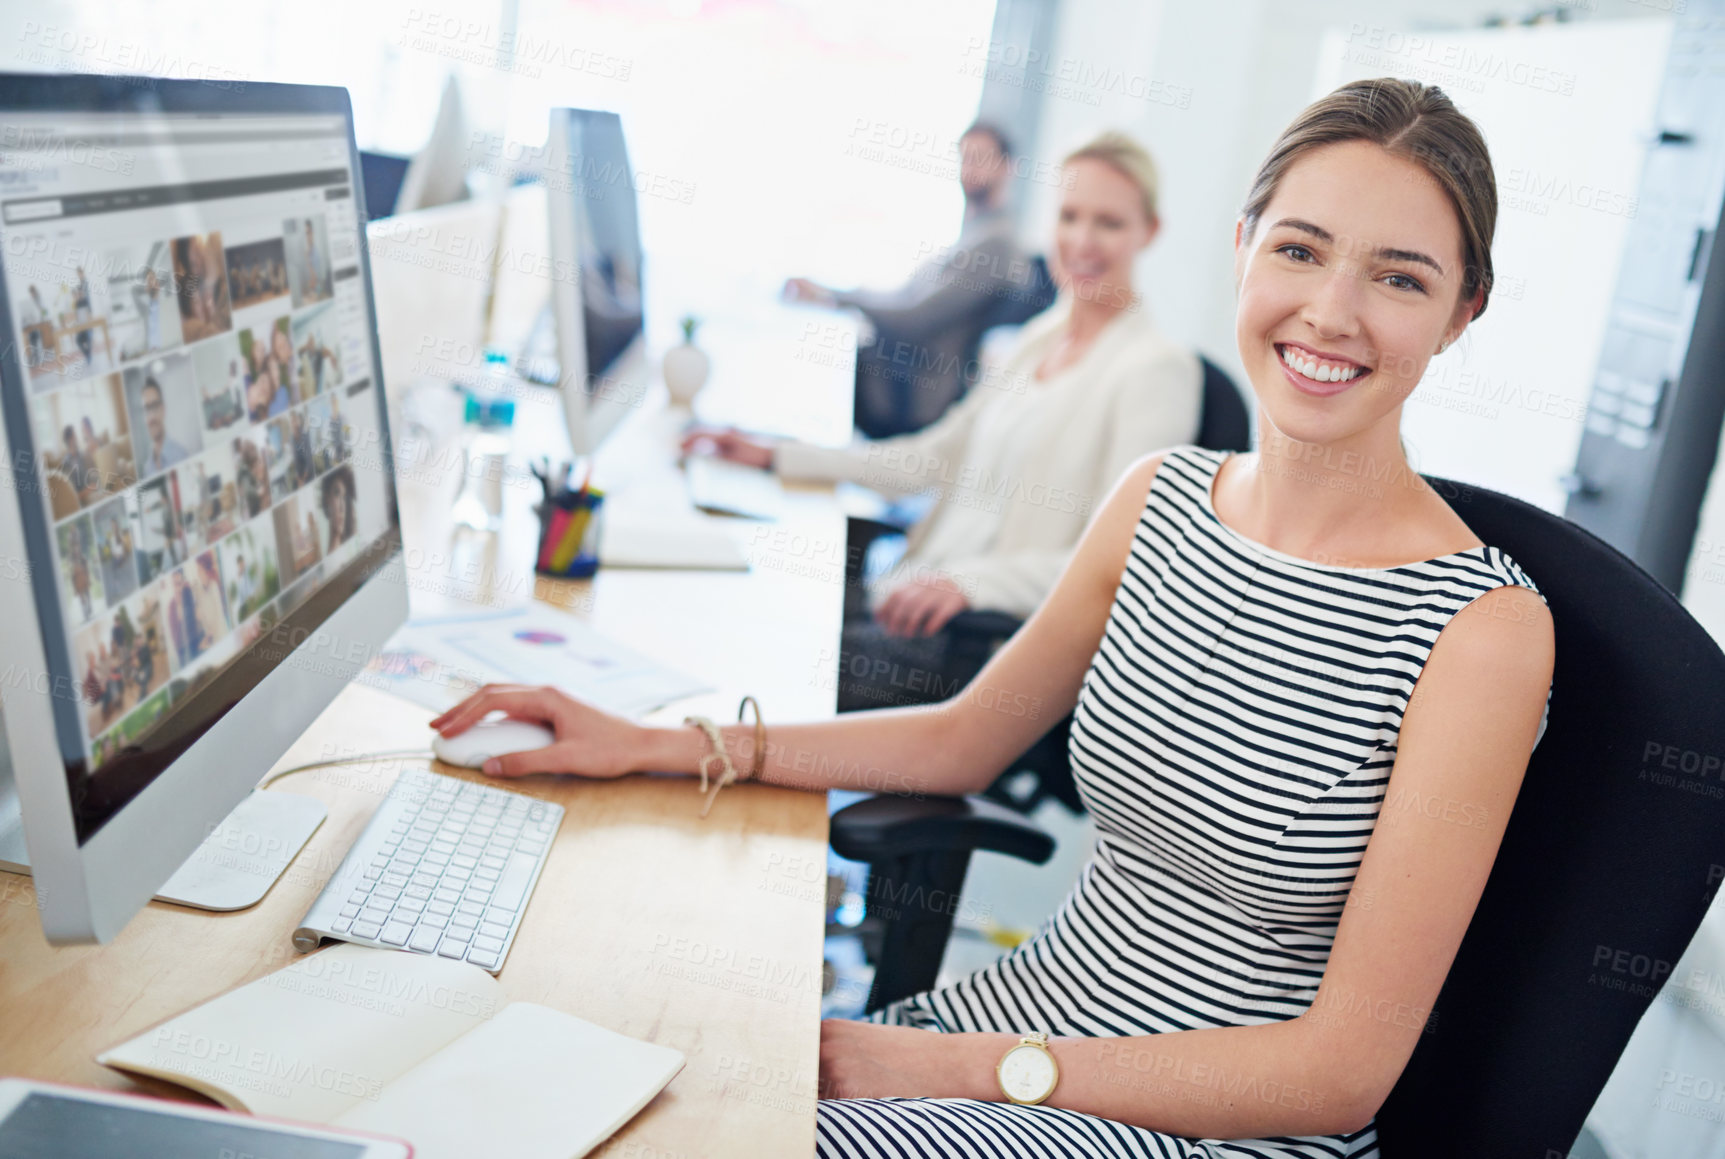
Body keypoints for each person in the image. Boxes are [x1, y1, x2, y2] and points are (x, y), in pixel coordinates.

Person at [431, 78, 1557, 1158]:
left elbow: (1342, 1070)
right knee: (626, 1061)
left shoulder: (1485, 630)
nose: (1331, 310)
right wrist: (660, 743)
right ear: (1241, 247)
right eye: (1299, 250)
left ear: (1464, 313)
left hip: (1205, 1123)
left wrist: (968, 1070)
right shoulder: (1160, 497)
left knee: (706, 1132)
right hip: (1021, 1023)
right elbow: (958, 739)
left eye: (1399, 279)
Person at [688, 132, 1201, 712]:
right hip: (907, 596)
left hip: (977, 646)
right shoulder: (1037, 339)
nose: (1082, 240)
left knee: (762, 678)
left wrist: (971, 585)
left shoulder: (1157, 369)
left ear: (1149, 232)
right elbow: (931, 458)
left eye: (1108, 222)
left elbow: (1119, 562)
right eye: (1069, 216)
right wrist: (780, 453)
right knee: (738, 612)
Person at [785, 122, 1042, 437]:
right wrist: (829, 293)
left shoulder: (995, 243)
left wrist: (834, 297)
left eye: (981, 159)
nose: (969, 169)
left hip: (918, 390)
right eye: (965, 158)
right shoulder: (972, 235)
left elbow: (913, 316)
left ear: (1008, 168)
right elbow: (904, 298)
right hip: (899, 375)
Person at [138, 376, 189, 475]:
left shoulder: (181, 456)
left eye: (155, 406)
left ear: (163, 410)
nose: (151, 416)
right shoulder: (147, 469)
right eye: (147, 409)